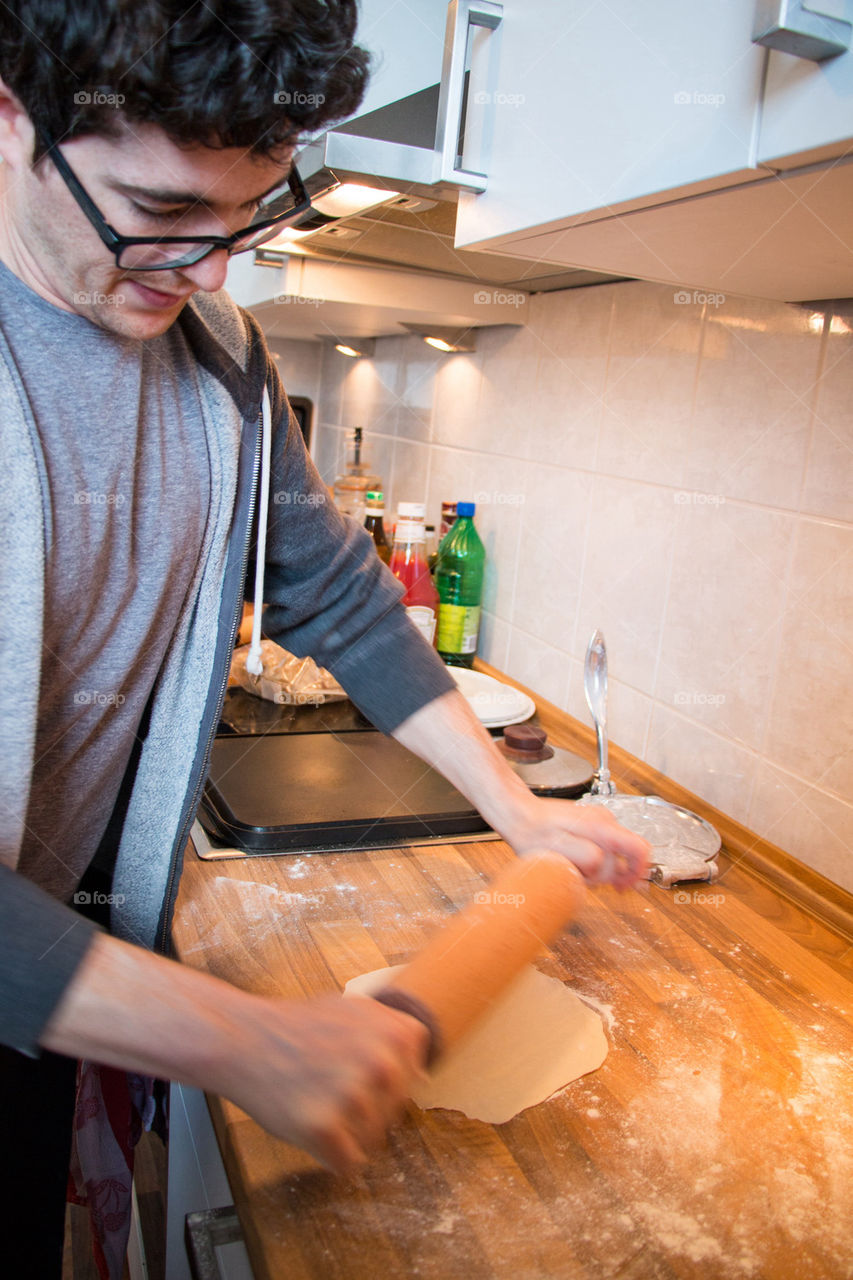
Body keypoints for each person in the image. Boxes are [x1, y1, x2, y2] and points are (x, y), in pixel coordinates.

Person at [0, 0, 649, 1274]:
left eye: (247, 213)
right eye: (162, 212)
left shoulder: (221, 362)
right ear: (13, 112)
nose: (206, 274)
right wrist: (243, 1038)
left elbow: (335, 590)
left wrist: (514, 812)